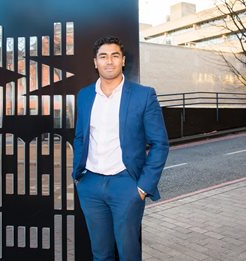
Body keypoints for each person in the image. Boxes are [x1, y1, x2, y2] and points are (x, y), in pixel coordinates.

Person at [72, 36, 169, 261]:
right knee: (100, 254)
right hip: (91, 185)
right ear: (95, 62)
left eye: (115, 56)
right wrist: (79, 177)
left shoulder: (144, 95)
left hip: (126, 185)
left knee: (128, 254)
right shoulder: (85, 95)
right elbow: (80, 136)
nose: (109, 61)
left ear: (123, 60)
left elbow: (160, 144)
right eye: (103, 56)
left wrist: (143, 187)